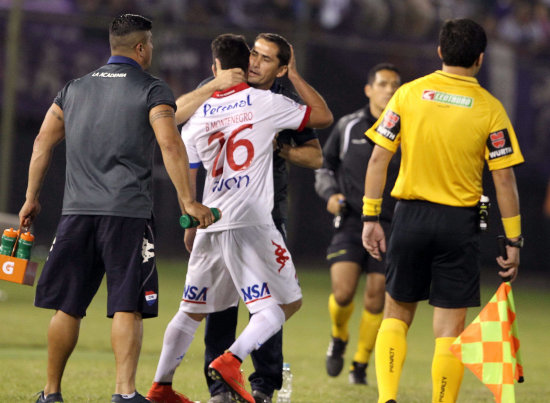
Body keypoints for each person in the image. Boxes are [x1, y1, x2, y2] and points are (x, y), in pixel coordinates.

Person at [18, 14, 214, 403]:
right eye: (152, 44)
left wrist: (31, 197)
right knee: (128, 305)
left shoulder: (73, 89)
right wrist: (188, 200)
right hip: (127, 214)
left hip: (76, 213)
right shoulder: (152, 89)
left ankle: (51, 392)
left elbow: (42, 142)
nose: (152, 50)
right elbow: (170, 144)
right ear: (141, 47)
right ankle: (124, 393)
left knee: (67, 306)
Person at [145, 33, 332, 403]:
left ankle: (160, 386)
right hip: (251, 219)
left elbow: (183, 150)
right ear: (242, 62)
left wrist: (189, 208)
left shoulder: (199, 115)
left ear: (215, 66)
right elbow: (323, 118)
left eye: (264, 57)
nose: (256, 63)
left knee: (191, 309)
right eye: (254, 56)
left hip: (210, 219)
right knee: (283, 304)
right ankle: (230, 363)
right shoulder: (270, 102)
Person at [361, 18, 524, 403]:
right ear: (481, 59)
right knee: (449, 327)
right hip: (458, 224)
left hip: (410, 218)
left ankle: (387, 399)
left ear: (440, 52)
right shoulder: (490, 109)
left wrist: (371, 216)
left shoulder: (408, 95)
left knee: (396, 314)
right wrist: (513, 239)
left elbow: (378, 160)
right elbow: (504, 182)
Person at [314, 63, 401, 385]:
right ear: (368, 89)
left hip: (392, 223)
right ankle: (339, 337)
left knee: (377, 294)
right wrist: (330, 194)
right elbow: (324, 166)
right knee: (343, 291)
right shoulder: (349, 126)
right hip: (352, 219)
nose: (389, 89)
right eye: (382, 83)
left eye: (394, 84)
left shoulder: (410, 129)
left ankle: (360, 364)